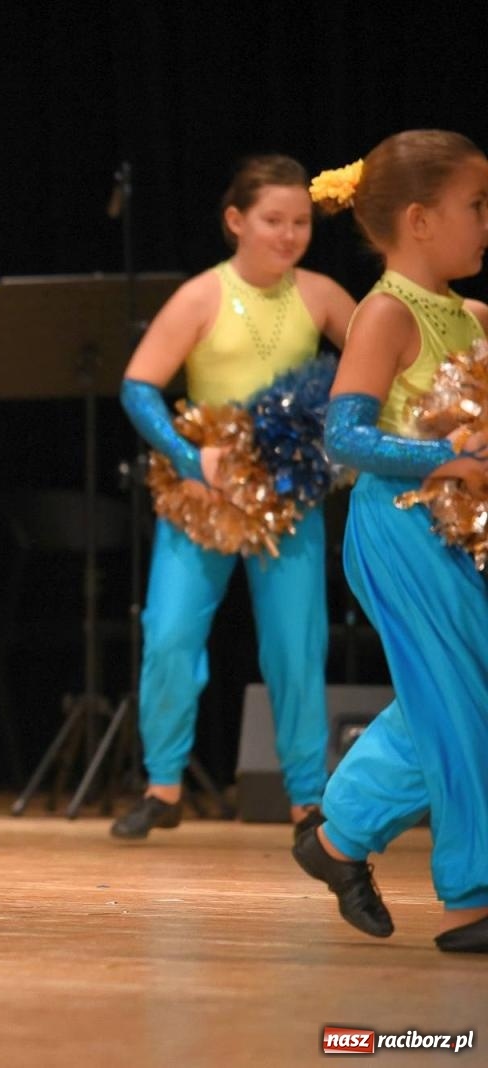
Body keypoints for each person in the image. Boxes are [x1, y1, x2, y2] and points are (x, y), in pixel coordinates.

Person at [112, 156, 356, 840]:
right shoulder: (200, 296)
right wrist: (192, 458)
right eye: (273, 221)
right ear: (236, 221)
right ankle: (164, 787)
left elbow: (381, 358)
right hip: (205, 496)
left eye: (300, 222)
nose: (288, 235)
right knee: (169, 635)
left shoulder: (323, 294)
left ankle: (308, 799)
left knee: (295, 645)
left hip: (286, 499)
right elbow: (137, 386)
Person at [293, 130, 488, 953]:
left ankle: (335, 837)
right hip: (400, 527)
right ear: (418, 219)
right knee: (457, 704)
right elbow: (345, 436)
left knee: (456, 700)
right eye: (475, 207)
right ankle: (471, 900)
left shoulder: (474, 315)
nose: (486, 222)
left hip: (456, 530)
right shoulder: (384, 311)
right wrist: (446, 456)